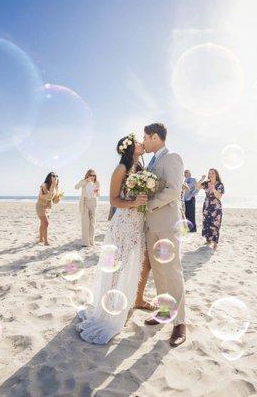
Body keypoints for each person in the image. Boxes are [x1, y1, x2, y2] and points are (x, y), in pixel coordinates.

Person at [76, 133, 154, 344]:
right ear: (129, 148)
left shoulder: (141, 169)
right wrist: (134, 203)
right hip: (123, 225)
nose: (141, 143)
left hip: (137, 225)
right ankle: (107, 311)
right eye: (137, 141)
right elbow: (113, 200)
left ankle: (119, 304)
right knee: (116, 269)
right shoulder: (121, 169)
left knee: (130, 267)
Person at [142, 123, 187, 347]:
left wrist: (148, 204)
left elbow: (173, 190)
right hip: (151, 225)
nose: (144, 140)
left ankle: (180, 323)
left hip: (167, 224)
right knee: (158, 271)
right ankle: (164, 312)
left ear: (156, 137)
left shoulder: (172, 158)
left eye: (146, 137)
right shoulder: (150, 162)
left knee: (172, 271)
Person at [197, 168, 225, 250]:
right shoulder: (206, 183)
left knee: (215, 224)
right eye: (209, 173)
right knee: (207, 223)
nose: (211, 174)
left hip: (216, 207)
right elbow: (197, 187)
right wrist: (201, 179)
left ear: (216, 174)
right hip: (207, 205)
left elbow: (219, 196)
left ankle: (215, 243)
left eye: (212, 173)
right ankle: (208, 240)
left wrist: (213, 189)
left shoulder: (220, 185)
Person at [35, 172, 63, 245]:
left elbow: (54, 200)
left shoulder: (56, 187)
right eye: (53, 176)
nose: (55, 177)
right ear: (49, 177)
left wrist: (59, 197)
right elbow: (48, 197)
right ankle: (46, 242)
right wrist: (53, 185)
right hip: (40, 206)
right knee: (46, 223)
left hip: (48, 208)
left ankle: (41, 239)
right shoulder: (44, 186)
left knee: (42, 223)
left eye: (57, 176)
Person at [75, 169, 100, 246]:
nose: (92, 177)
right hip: (85, 202)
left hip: (93, 202)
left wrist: (97, 192)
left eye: (94, 175)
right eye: (91, 175)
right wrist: (85, 181)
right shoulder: (84, 182)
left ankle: (91, 240)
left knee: (92, 223)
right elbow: (76, 187)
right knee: (85, 222)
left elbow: (98, 195)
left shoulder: (97, 183)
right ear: (88, 175)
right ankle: (85, 242)